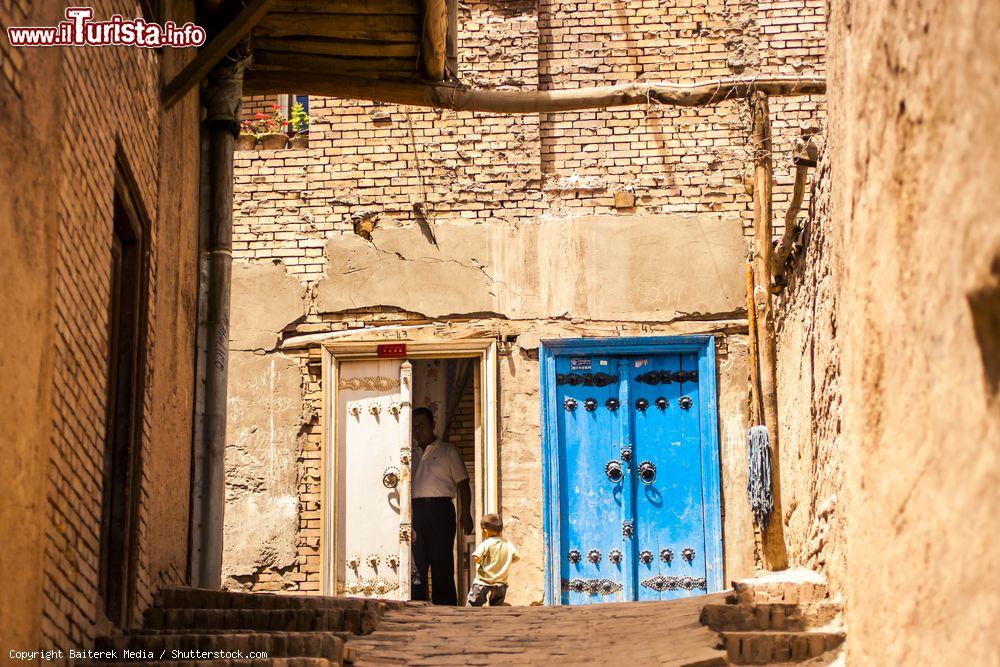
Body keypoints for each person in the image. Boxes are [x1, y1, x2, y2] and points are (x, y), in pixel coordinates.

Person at [410, 407, 473, 605]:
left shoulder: (448, 451)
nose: (418, 430)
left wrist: (466, 514)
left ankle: (445, 608)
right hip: (415, 512)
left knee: (441, 562)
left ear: (433, 425)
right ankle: (417, 607)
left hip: (440, 511)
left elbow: (463, 483)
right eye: (414, 426)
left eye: (422, 425)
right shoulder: (408, 453)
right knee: (416, 562)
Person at [467, 513, 519, 607]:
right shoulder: (507, 544)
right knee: (496, 606)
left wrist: (479, 560)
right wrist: (505, 561)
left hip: (483, 581)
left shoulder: (486, 543)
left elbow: (476, 558)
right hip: (500, 583)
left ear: (485, 532)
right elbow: (516, 557)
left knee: (473, 605)